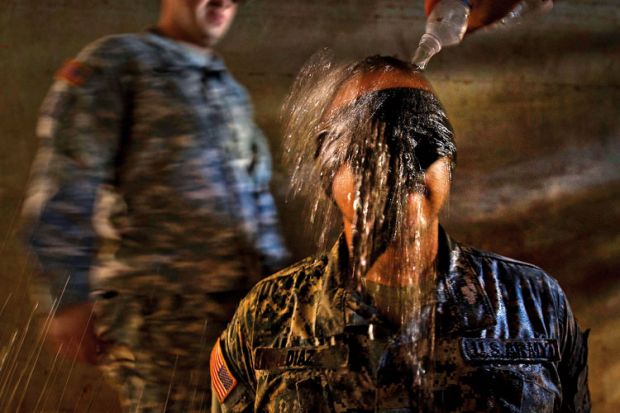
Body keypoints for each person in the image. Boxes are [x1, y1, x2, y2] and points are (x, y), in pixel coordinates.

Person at [210, 55, 590, 412]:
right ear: (328, 172)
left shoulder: (535, 306)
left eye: (424, 142)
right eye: (368, 150)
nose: (400, 168)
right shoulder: (266, 317)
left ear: (450, 163)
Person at [22, 0, 289, 410]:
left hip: (245, 314)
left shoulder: (227, 88)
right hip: (166, 318)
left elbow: (255, 200)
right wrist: (67, 295)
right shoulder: (120, 63)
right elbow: (67, 179)